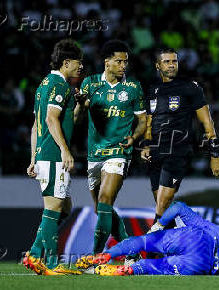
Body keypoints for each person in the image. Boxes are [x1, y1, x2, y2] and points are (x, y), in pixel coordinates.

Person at [75, 40, 147, 261]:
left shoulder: (133, 87)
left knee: (106, 201)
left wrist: (134, 137)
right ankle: (131, 251)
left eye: (126, 61)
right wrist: (80, 103)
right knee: (100, 209)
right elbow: (76, 118)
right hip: (95, 154)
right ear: (107, 62)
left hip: (118, 153)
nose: (124, 65)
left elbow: (143, 121)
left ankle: (95, 257)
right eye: (119, 61)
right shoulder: (90, 83)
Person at [141, 48, 219, 227]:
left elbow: (208, 124)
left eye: (174, 61)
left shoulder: (190, 87)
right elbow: (149, 124)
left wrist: (215, 155)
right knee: (163, 209)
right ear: (158, 66)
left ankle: (146, 251)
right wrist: (146, 145)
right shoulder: (152, 90)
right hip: (155, 154)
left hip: (177, 152)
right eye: (167, 62)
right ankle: (182, 245)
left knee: (162, 207)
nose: (171, 65)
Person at [23, 39, 84, 275]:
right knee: (54, 207)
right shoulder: (59, 85)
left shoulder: (44, 84)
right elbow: (50, 119)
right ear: (66, 62)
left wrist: (32, 158)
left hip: (43, 154)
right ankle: (50, 263)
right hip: (52, 155)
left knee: (65, 207)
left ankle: (34, 254)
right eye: (79, 63)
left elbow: (35, 125)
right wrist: (65, 150)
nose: (81, 67)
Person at [76, 201, 219, 276]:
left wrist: (159, 225)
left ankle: (106, 255)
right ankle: (126, 269)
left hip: (193, 238)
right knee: (152, 266)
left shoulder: (209, 227)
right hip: (200, 264)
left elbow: (177, 207)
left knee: (141, 241)